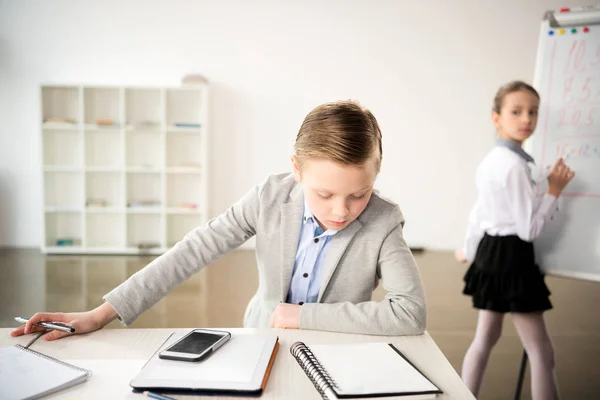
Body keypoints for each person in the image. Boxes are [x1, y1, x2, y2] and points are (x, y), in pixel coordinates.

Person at [13, 100, 427, 341]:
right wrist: (99, 314)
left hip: (338, 349)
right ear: (297, 169)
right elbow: (193, 250)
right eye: (324, 194)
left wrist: (303, 316)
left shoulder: (383, 220)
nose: (341, 211)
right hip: (260, 339)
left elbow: (409, 313)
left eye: (359, 194)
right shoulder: (269, 197)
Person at [455, 81, 575, 400]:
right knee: (541, 351)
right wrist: (554, 191)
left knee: (485, 338)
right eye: (516, 111)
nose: (527, 119)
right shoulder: (515, 166)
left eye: (533, 112)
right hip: (512, 256)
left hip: (490, 252)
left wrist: (468, 248)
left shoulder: (491, 161)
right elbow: (528, 231)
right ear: (497, 117)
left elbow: (479, 213)